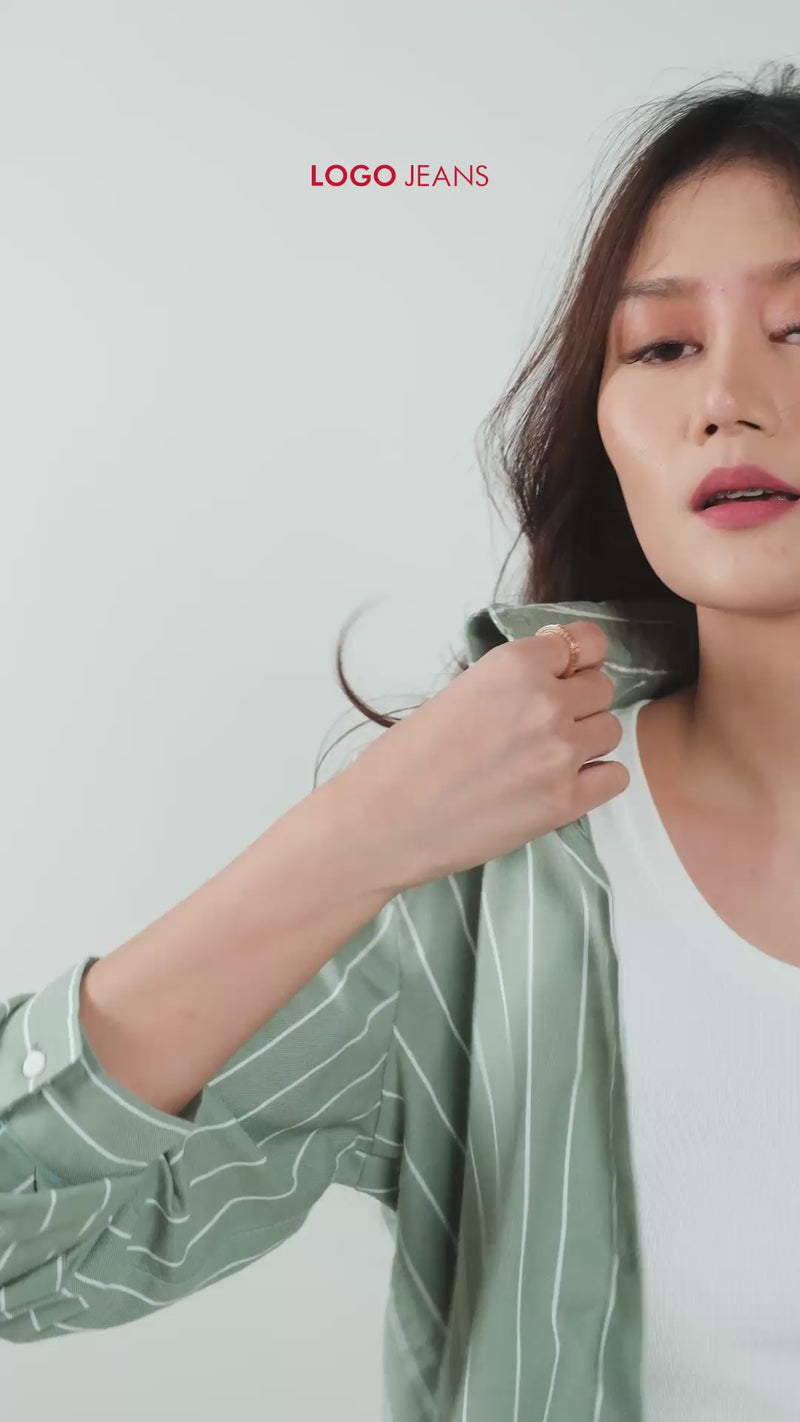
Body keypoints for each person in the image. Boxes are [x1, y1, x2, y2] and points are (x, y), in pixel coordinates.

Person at [2, 57, 799, 1421]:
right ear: (606, 428)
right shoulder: (491, 889)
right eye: (661, 346)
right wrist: (355, 837)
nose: (726, 395)